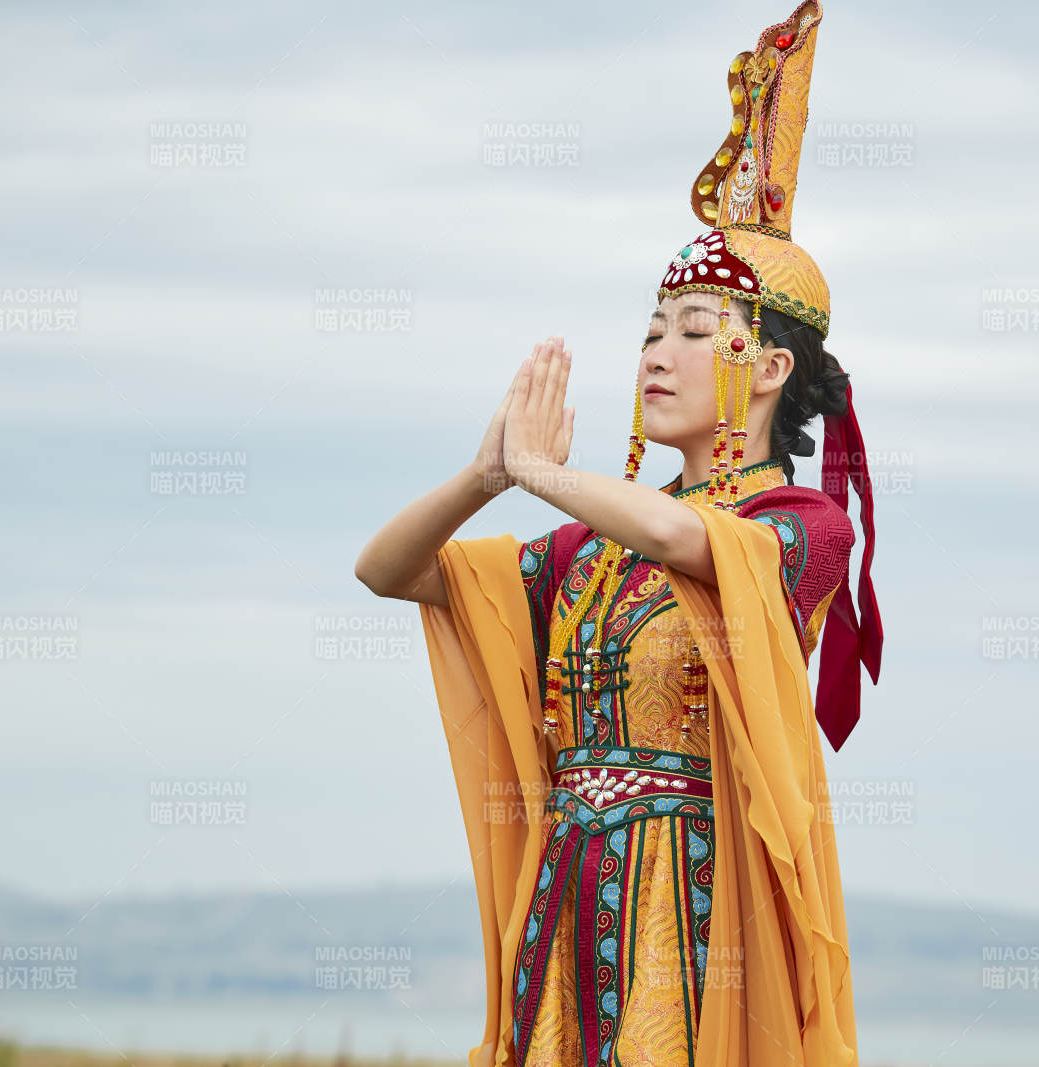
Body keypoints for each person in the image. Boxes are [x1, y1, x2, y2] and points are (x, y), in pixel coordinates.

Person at [354, 2, 882, 1063]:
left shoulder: (799, 527)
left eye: (694, 330)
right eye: (649, 331)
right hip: (568, 888)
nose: (656, 353)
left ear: (769, 367)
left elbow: (693, 544)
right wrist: (486, 475)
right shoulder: (587, 554)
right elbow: (386, 569)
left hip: (694, 901)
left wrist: (549, 476)